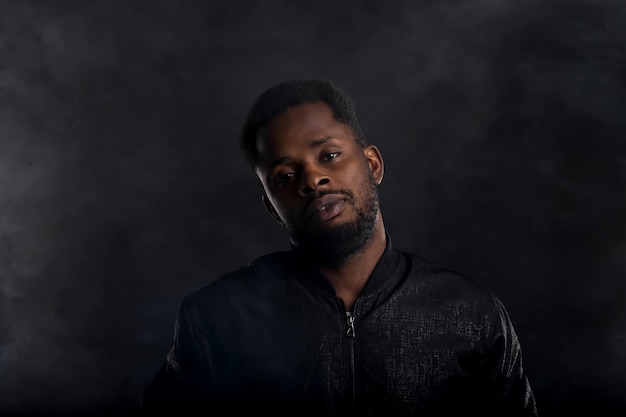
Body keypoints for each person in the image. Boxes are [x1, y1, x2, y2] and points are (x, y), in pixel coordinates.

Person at [141, 79, 539, 416]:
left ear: (373, 165)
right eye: (285, 176)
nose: (313, 180)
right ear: (272, 207)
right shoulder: (217, 317)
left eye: (329, 156)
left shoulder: (471, 313)